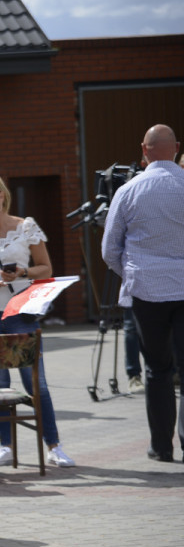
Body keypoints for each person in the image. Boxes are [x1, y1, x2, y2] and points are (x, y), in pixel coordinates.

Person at [0, 174, 75, 468]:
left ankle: (54, 446)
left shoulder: (26, 227)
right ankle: (5, 446)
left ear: (1, 197)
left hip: (21, 311)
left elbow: (45, 267)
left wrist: (22, 273)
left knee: (37, 383)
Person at [102, 124, 184, 462]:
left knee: (156, 368)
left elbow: (109, 250)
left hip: (146, 290)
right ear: (176, 148)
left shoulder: (128, 190)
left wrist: (133, 274)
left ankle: (161, 446)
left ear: (144, 149)